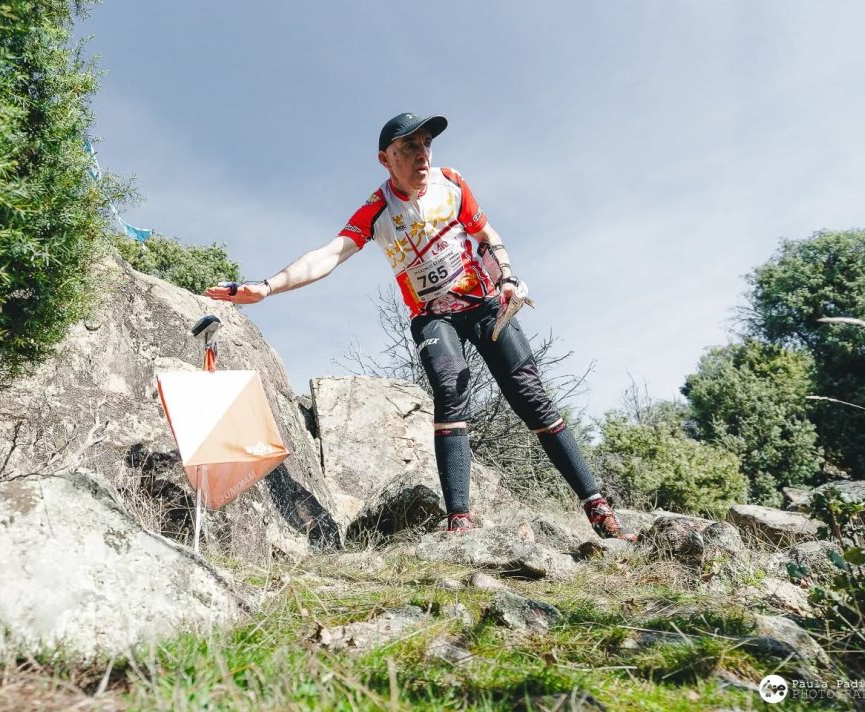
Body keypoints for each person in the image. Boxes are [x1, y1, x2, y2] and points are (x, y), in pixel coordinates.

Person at [205, 113, 637, 541]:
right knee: (450, 388)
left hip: (486, 303)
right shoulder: (377, 210)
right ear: (385, 159)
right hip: (434, 315)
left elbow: (486, 234)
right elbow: (329, 255)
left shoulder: (452, 184)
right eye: (408, 148)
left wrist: (506, 275)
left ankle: (597, 507)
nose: (422, 155)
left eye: (426, 144)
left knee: (530, 395)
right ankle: (461, 521)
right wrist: (266, 287)